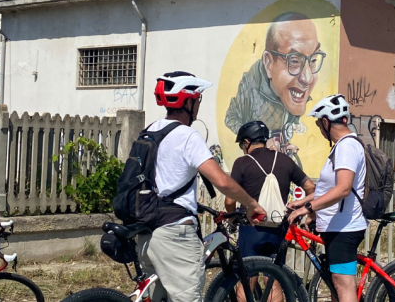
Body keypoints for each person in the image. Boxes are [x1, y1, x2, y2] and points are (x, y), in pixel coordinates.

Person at [140, 71, 266, 302]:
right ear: (188, 102)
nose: (198, 104)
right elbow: (221, 181)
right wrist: (252, 204)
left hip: (146, 232)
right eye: (198, 99)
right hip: (175, 234)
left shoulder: (150, 131)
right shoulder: (187, 135)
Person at [287, 94, 367, 302]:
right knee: (336, 285)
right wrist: (302, 202)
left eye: (318, 124)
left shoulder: (346, 146)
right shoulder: (342, 147)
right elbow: (328, 188)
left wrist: (308, 208)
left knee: (343, 285)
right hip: (338, 227)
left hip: (345, 229)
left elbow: (343, 189)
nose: (320, 130)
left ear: (325, 121)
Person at [225, 12, 327, 153]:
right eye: (295, 61)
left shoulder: (293, 94)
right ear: (268, 63)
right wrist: (259, 142)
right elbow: (230, 118)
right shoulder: (250, 85)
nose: (308, 78)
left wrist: (284, 146)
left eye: (314, 60)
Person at [225, 120, 315, 256]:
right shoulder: (285, 160)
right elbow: (310, 187)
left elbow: (229, 201)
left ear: (247, 142)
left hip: (251, 227)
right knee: (277, 271)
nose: (242, 149)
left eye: (241, 145)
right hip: (278, 226)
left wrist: (232, 219)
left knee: (249, 270)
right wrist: (310, 213)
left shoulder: (242, 163)